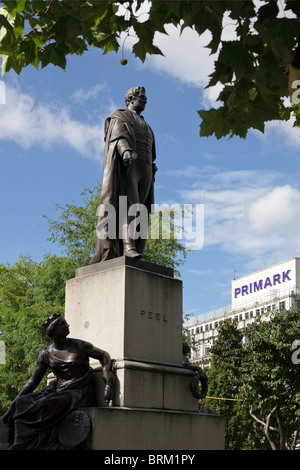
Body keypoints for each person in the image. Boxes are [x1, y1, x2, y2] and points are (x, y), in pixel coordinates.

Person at [1, 313, 115, 450]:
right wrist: (12, 406)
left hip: (80, 392)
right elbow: (33, 381)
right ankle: (20, 442)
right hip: (59, 390)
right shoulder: (46, 353)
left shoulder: (79, 345)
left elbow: (103, 355)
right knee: (21, 403)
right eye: (63, 324)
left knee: (45, 402)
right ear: (54, 330)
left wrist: (106, 373)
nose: (67, 325)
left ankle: (26, 444)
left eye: (65, 322)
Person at [90, 86, 157, 264]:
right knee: (131, 206)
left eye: (145, 97)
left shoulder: (147, 126)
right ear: (131, 99)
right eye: (142, 97)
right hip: (130, 167)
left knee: (141, 211)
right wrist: (125, 151)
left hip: (147, 169)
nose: (145, 100)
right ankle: (128, 247)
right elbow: (118, 137)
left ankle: (135, 245)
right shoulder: (120, 116)